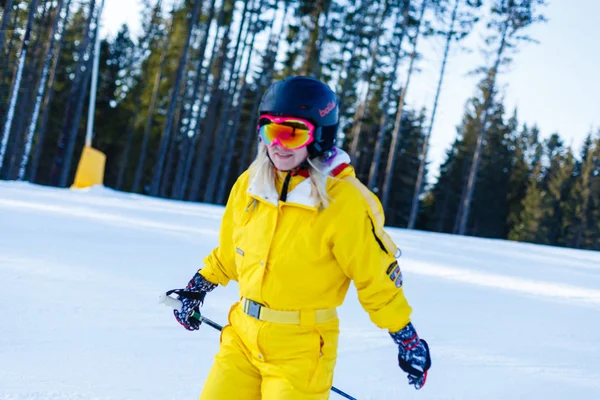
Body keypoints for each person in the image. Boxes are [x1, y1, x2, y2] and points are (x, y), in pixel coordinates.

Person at [171, 76, 431, 399]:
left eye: (291, 133)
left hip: (302, 349)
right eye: (269, 129)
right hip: (241, 337)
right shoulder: (251, 185)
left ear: (319, 136)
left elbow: (375, 277)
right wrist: (197, 287)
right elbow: (230, 254)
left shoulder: (343, 201)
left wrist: (406, 338)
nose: (277, 144)